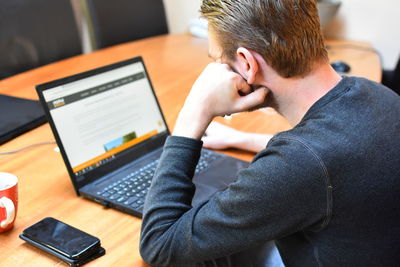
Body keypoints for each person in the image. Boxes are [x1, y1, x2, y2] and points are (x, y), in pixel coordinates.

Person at [140, 0, 400, 266]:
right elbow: (335, 152)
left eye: (218, 61)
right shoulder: (377, 94)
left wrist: (192, 115)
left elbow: (159, 244)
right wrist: (241, 139)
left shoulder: (300, 163)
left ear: (247, 63)